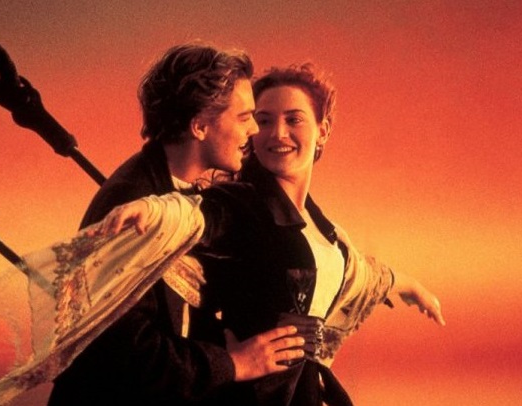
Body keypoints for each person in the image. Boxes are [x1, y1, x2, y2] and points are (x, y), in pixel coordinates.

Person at [97, 63, 446, 405]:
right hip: (254, 393)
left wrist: (407, 284)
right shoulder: (240, 202)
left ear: (323, 130)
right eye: (263, 120)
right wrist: (153, 209)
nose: (278, 133)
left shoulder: (322, 228)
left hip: (303, 389)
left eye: (293, 119)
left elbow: (360, 273)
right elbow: (196, 214)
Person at [47, 43, 305, 406]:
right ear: (199, 126)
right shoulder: (131, 208)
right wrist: (234, 363)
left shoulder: (182, 193)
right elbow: (126, 353)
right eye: (243, 117)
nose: (252, 130)